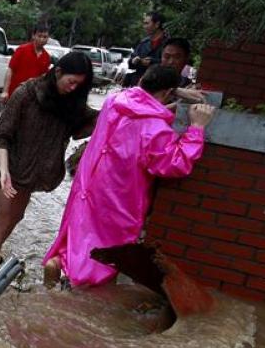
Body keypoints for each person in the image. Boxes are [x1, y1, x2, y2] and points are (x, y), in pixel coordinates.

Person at [42, 66, 216, 287]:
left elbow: (144, 105)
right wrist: (197, 128)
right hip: (120, 198)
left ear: (143, 80)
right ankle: (79, 287)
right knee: (108, 253)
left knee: (79, 238)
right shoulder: (155, 129)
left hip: (89, 185)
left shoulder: (115, 101)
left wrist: (176, 93)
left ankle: (58, 264)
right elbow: (174, 164)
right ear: (166, 92)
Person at [0, 52, 97, 269]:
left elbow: (94, 121)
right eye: (71, 82)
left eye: (79, 85)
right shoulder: (26, 93)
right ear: (58, 72)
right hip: (6, 164)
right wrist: (4, 172)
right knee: (3, 221)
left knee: (16, 217)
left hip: (31, 173)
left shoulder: (70, 103)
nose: (73, 88)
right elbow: (1, 135)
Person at [1, 24, 52, 104]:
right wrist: (5, 91)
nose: (42, 39)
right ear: (33, 36)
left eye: (45, 37)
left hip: (32, 98)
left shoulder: (46, 57)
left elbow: (43, 78)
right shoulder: (21, 50)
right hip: (15, 94)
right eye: (39, 36)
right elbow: (10, 70)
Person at [124, 11, 167, 87]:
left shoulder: (168, 44)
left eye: (147, 23)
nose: (144, 26)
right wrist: (133, 61)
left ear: (157, 24)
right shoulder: (143, 43)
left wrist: (152, 62)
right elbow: (130, 62)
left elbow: (170, 67)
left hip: (157, 87)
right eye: (144, 23)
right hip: (138, 86)